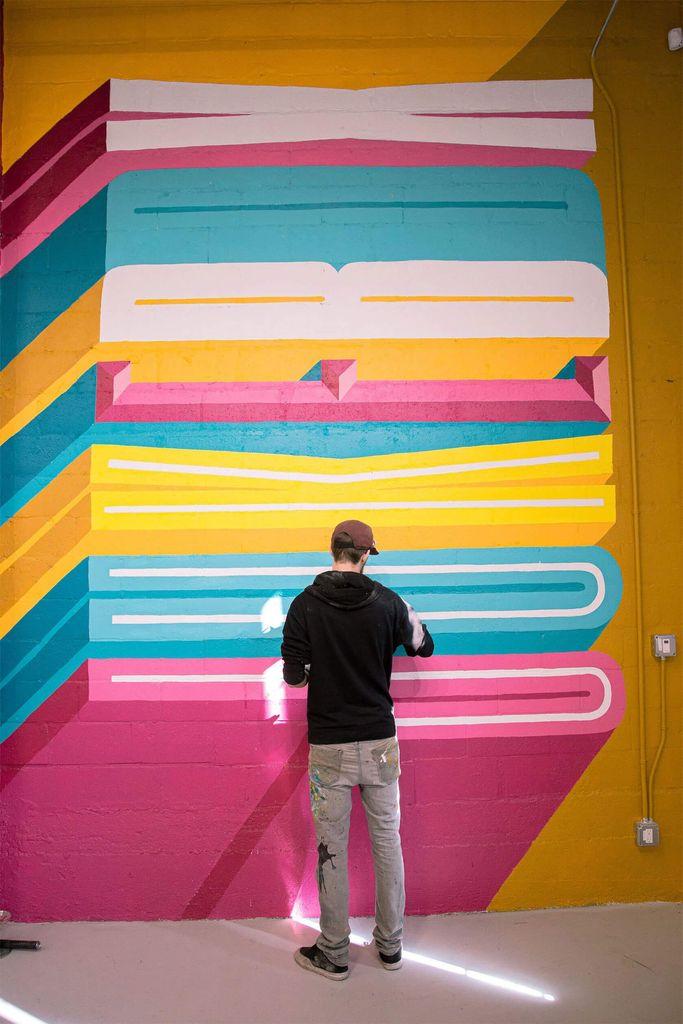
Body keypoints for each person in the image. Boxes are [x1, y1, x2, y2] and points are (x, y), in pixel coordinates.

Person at [281, 519, 434, 981]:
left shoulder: (304, 606)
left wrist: (317, 669)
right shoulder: (390, 602)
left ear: (332, 550)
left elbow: (293, 677)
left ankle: (334, 951)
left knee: (333, 847)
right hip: (380, 742)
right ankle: (390, 947)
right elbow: (424, 646)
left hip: (330, 745)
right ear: (366, 555)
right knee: (388, 843)